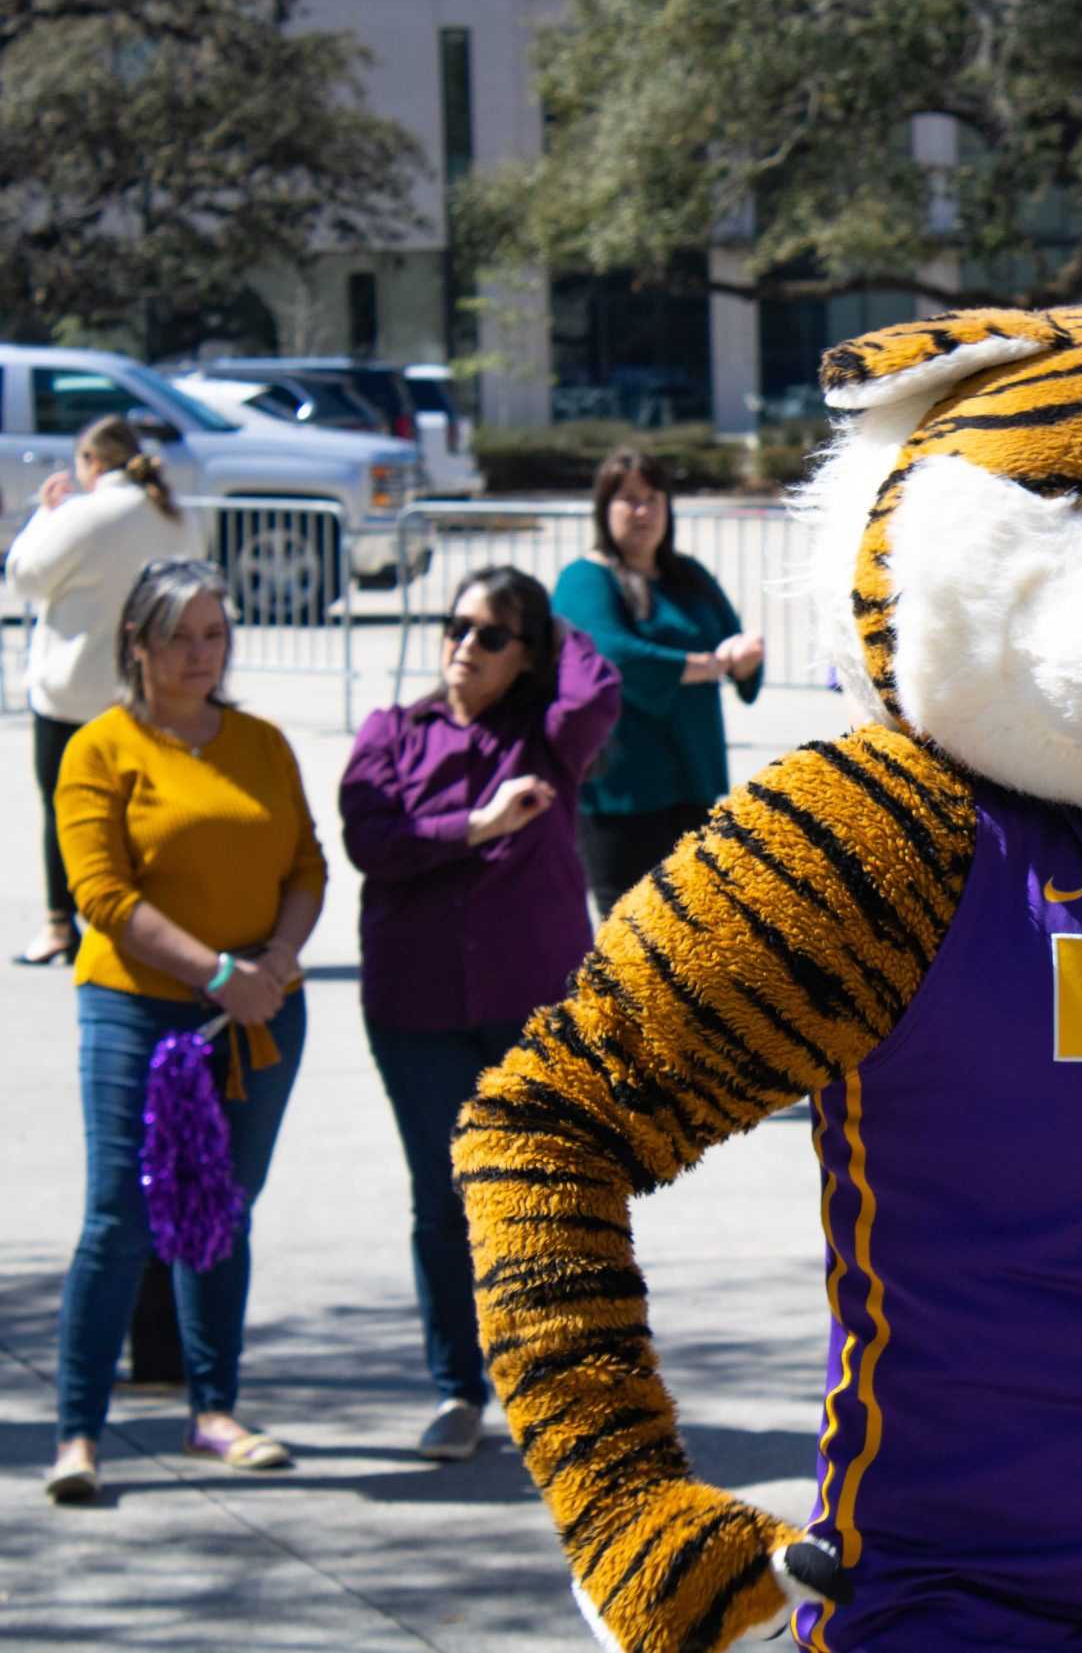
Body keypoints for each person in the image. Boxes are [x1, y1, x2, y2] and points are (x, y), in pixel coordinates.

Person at [45, 558, 325, 1502]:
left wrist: (273, 969)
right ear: (138, 643)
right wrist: (215, 975)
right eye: (179, 636)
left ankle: (215, 1409)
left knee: (220, 1211)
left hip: (257, 1008)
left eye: (214, 634)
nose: (201, 654)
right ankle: (79, 1430)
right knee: (121, 1217)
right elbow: (101, 895)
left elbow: (306, 866)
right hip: (140, 1006)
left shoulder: (259, 742)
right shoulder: (100, 747)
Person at [339, 566, 620, 1460]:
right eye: (455, 625)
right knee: (443, 1199)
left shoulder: (547, 739)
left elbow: (599, 688)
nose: (465, 645)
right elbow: (369, 842)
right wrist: (475, 827)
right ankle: (459, 1388)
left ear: (528, 654)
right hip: (415, 1007)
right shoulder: (392, 731)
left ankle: (554, 1385)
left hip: (526, 1005)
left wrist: (560, 611)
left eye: (493, 635)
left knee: (545, 1196)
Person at [4, 417, 206, 968]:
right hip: (152, 688)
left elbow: (22, 576)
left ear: (91, 461)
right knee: (144, 814)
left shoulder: (82, 514)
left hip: (77, 689)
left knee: (66, 810)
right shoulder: (173, 513)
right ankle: (148, 924)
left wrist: (44, 516)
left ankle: (58, 925)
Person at [552, 447, 763, 916]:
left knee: (695, 925)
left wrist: (744, 658)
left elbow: (735, 640)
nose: (643, 511)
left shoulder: (688, 575)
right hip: (621, 791)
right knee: (627, 930)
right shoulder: (585, 578)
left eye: (653, 498)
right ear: (604, 509)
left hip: (692, 781)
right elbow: (614, 657)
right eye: (628, 499)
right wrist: (708, 665)